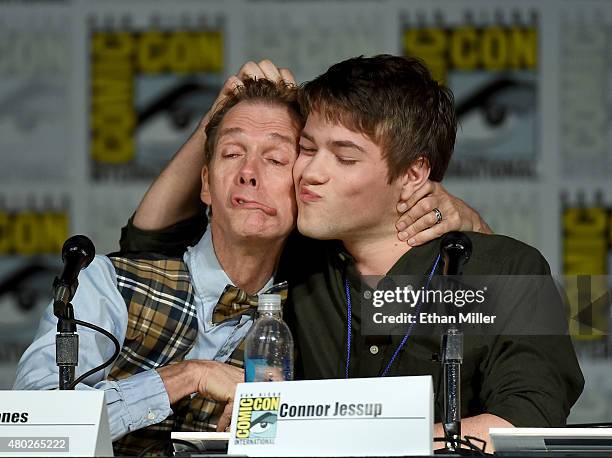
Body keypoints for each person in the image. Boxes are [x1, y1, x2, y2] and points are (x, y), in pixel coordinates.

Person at [125, 56, 584, 451]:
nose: (310, 172)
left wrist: (320, 436)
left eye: (344, 158)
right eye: (306, 148)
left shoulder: (510, 270)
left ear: (414, 172)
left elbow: (523, 425)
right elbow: (149, 247)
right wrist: (218, 114)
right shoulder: (298, 259)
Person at [14, 76, 484, 455]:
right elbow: (31, 430)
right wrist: (187, 376)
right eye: (232, 153)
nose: (249, 172)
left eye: (277, 158)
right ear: (205, 183)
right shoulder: (107, 283)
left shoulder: (320, 306)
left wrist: (468, 223)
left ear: (305, 189)